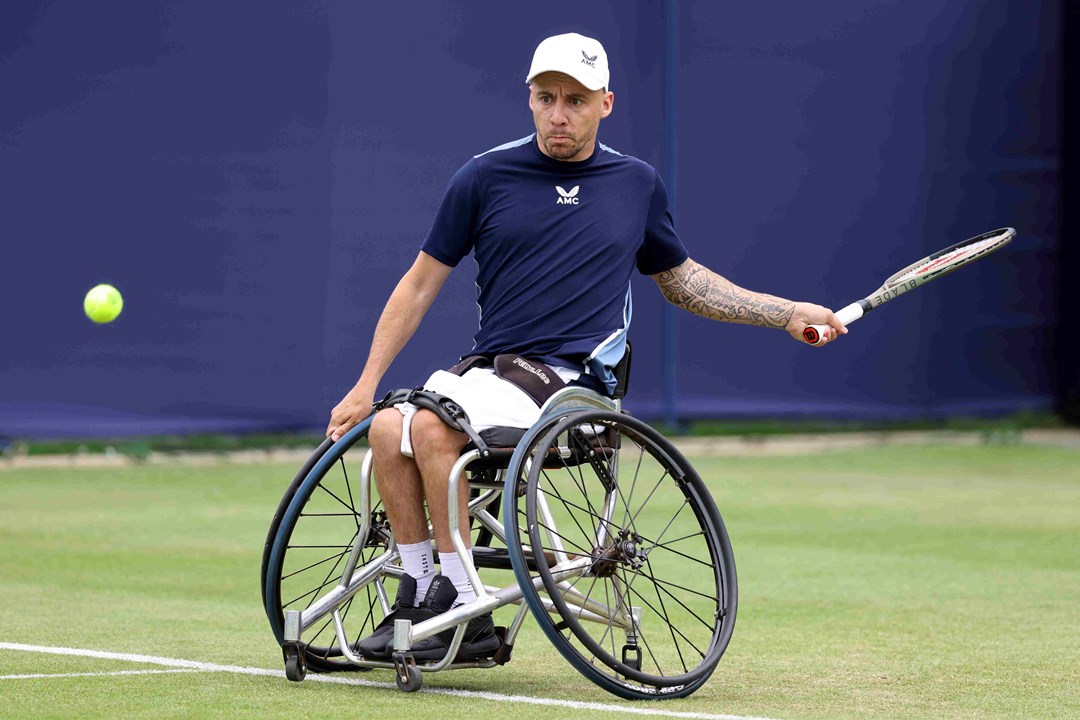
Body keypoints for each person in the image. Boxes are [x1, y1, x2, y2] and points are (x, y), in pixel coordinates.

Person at [325, 31, 846, 660]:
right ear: (529, 100)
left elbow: (684, 284)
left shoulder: (635, 184)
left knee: (434, 433)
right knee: (386, 428)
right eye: (546, 98)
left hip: (576, 386)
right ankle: (423, 587)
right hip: (491, 372)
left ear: (606, 103)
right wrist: (363, 383)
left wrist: (786, 312)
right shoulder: (484, 176)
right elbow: (417, 286)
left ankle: (463, 605)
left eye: (575, 99)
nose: (559, 113)